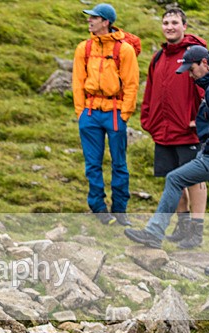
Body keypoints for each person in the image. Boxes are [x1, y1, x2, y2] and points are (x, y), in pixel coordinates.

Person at [125, 46, 209, 278]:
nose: (189, 74)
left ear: (205, 63)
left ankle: (154, 233)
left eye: (192, 68)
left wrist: (208, 152)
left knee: (175, 178)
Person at [140, 7, 207, 248]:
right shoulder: (158, 57)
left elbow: (206, 86)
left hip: (189, 130)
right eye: (166, 22)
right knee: (171, 178)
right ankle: (183, 225)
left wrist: (200, 119)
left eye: (175, 22)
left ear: (184, 26)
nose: (169, 26)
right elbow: (150, 90)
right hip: (163, 130)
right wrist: (148, 119)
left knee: (195, 179)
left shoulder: (195, 51)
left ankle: (196, 231)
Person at [72, 3, 139, 225]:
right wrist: (81, 112)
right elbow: (77, 82)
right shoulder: (84, 48)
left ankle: (120, 210)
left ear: (106, 22)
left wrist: (125, 114)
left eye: (94, 18)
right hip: (90, 113)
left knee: (119, 163)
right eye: (89, 17)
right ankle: (99, 208)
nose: (89, 21)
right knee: (92, 163)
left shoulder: (125, 50)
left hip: (115, 113)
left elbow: (131, 84)